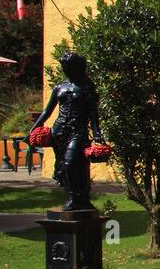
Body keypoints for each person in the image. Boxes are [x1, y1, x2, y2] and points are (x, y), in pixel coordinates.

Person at [31, 51, 105, 211]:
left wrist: (97, 132)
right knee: (64, 165)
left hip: (77, 131)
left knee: (70, 162)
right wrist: (35, 127)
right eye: (64, 66)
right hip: (59, 132)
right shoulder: (60, 86)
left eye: (69, 66)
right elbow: (48, 111)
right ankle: (79, 197)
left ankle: (76, 197)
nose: (66, 69)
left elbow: (93, 111)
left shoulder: (86, 86)